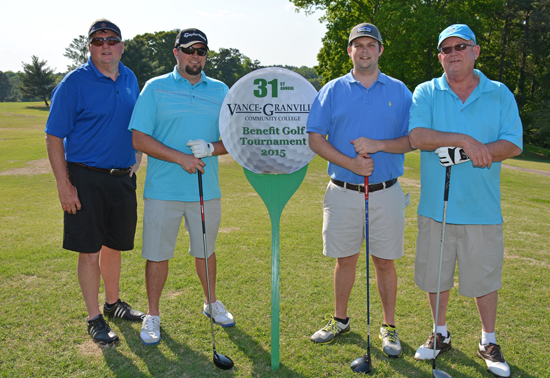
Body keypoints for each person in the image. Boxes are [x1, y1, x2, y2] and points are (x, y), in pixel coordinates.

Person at [409, 24, 522, 378]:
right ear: (440, 57)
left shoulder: (499, 92)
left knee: (484, 279)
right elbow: (417, 136)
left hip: (482, 209)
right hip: (436, 208)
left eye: (460, 46)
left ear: (475, 51)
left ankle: (488, 340)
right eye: (445, 49)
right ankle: (439, 334)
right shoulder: (427, 90)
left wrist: (480, 150)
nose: (452, 53)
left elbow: (513, 142)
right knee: (435, 275)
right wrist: (463, 140)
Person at [306, 23, 413, 358]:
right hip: (342, 190)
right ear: (349, 51)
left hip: (386, 191)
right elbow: (315, 138)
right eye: (358, 45)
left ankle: (389, 327)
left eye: (371, 45)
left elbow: (414, 139)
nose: (364, 50)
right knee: (345, 259)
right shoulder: (332, 90)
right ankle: (340, 320)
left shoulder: (399, 91)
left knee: (384, 261)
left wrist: (379, 145)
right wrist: (350, 163)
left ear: (380, 50)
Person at [128, 28, 234, 346]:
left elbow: (235, 138)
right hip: (163, 190)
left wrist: (212, 148)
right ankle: (153, 314)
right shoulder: (155, 88)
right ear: (176, 52)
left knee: (206, 251)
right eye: (189, 50)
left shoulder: (220, 90)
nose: (195, 56)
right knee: (158, 255)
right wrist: (180, 158)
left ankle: (211, 302)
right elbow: (139, 137)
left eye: (201, 51)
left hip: (206, 189)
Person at [45, 19, 145, 345]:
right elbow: (54, 136)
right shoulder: (74, 83)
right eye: (98, 40)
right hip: (85, 177)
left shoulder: (129, 77)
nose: (105, 45)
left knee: (114, 245)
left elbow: (135, 123)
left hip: (121, 179)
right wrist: (64, 185)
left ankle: (113, 304)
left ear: (122, 45)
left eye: (112, 39)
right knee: (88, 250)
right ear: (89, 46)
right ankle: (93, 318)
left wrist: (137, 157)